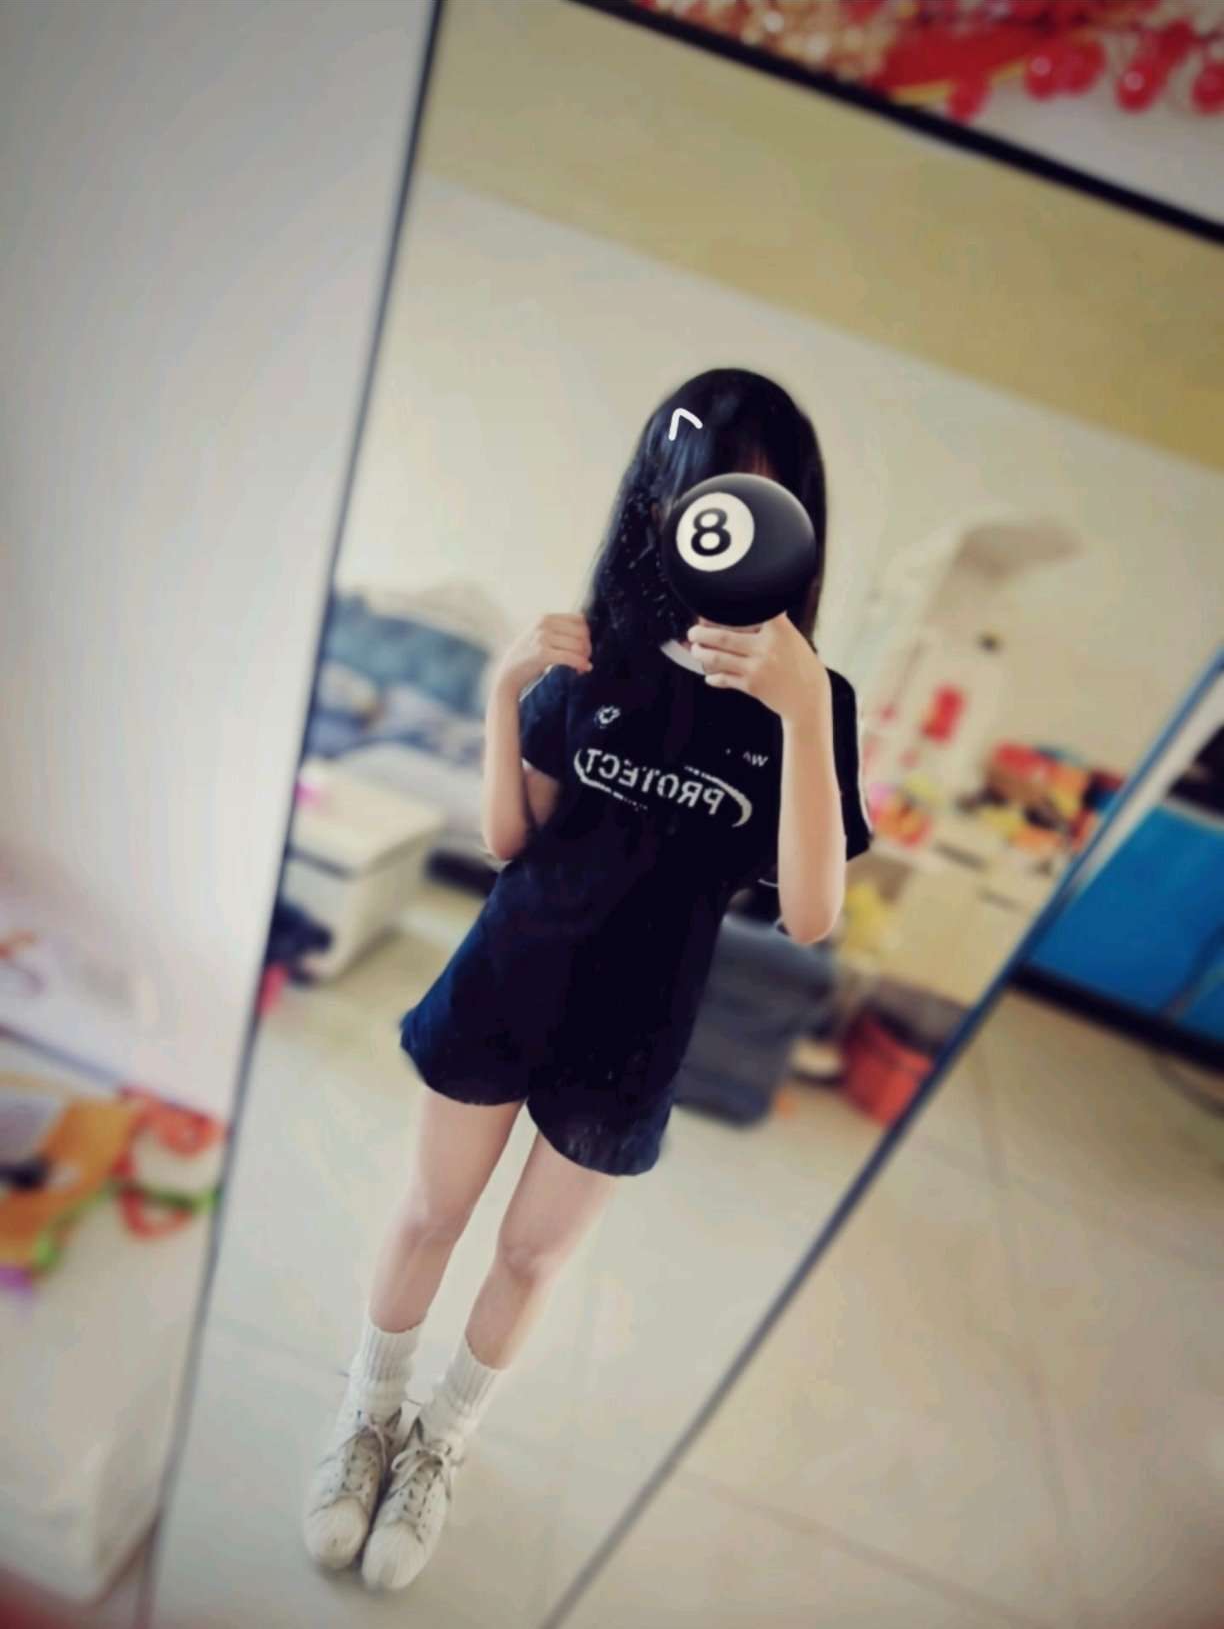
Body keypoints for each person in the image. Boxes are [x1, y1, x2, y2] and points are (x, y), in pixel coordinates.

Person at [302, 368, 873, 1592]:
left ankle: (439, 1446)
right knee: (430, 1214)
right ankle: (368, 1421)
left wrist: (802, 715)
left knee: (529, 1258)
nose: (728, 528)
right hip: (507, 975)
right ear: (664, 502)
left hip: (635, 1027)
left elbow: (812, 913)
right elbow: (510, 837)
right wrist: (505, 689)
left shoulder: (805, 704)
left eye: (761, 502)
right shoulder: (597, 651)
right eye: (709, 494)